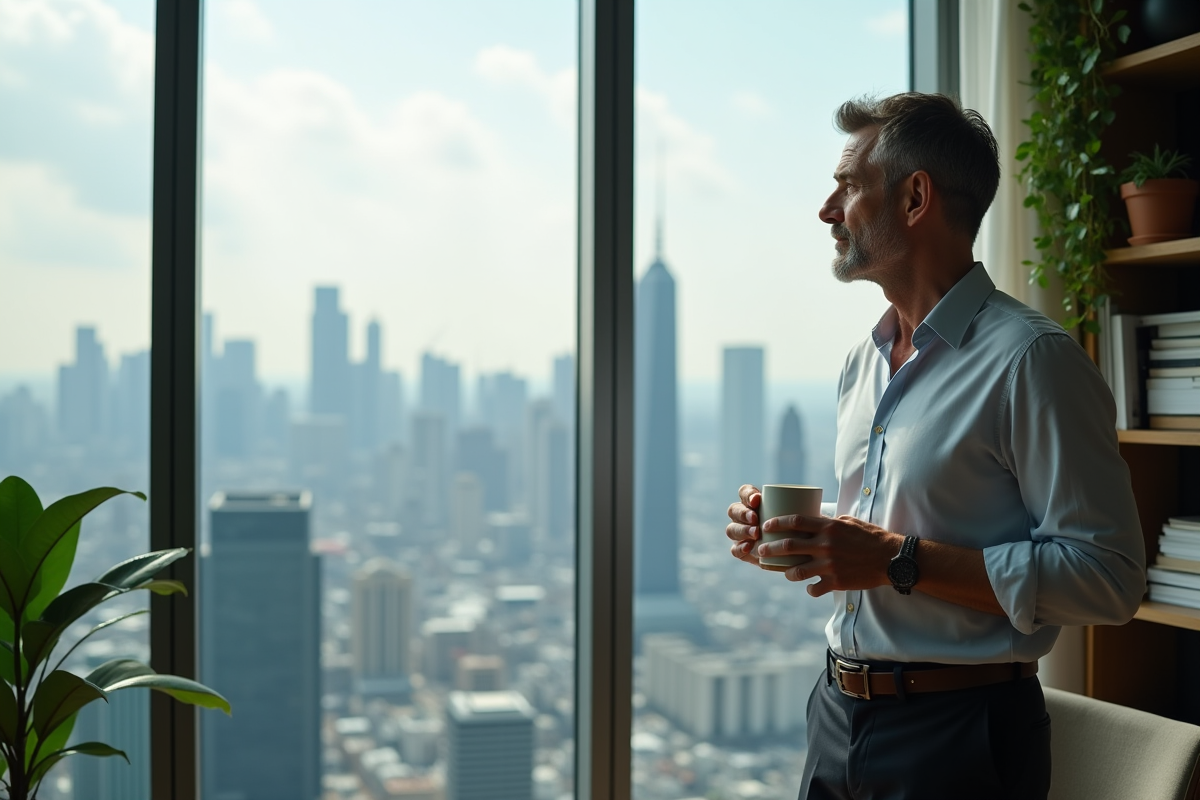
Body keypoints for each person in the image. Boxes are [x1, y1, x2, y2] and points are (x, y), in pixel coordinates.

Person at [724, 93, 1146, 800]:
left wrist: (895, 561)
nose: (828, 211)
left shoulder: (1031, 362)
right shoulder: (863, 361)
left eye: (849, 186)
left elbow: (1109, 578)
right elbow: (904, 513)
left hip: (960, 736)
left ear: (916, 197)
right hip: (834, 714)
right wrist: (803, 533)